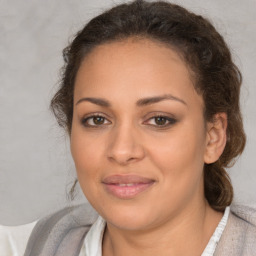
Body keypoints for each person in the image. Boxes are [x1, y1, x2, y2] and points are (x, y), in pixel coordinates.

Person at [20, 0, 255, 255]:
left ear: (213, 137)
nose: (122, 151)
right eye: (97, 119)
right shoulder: (30, 245)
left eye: (159, 120)